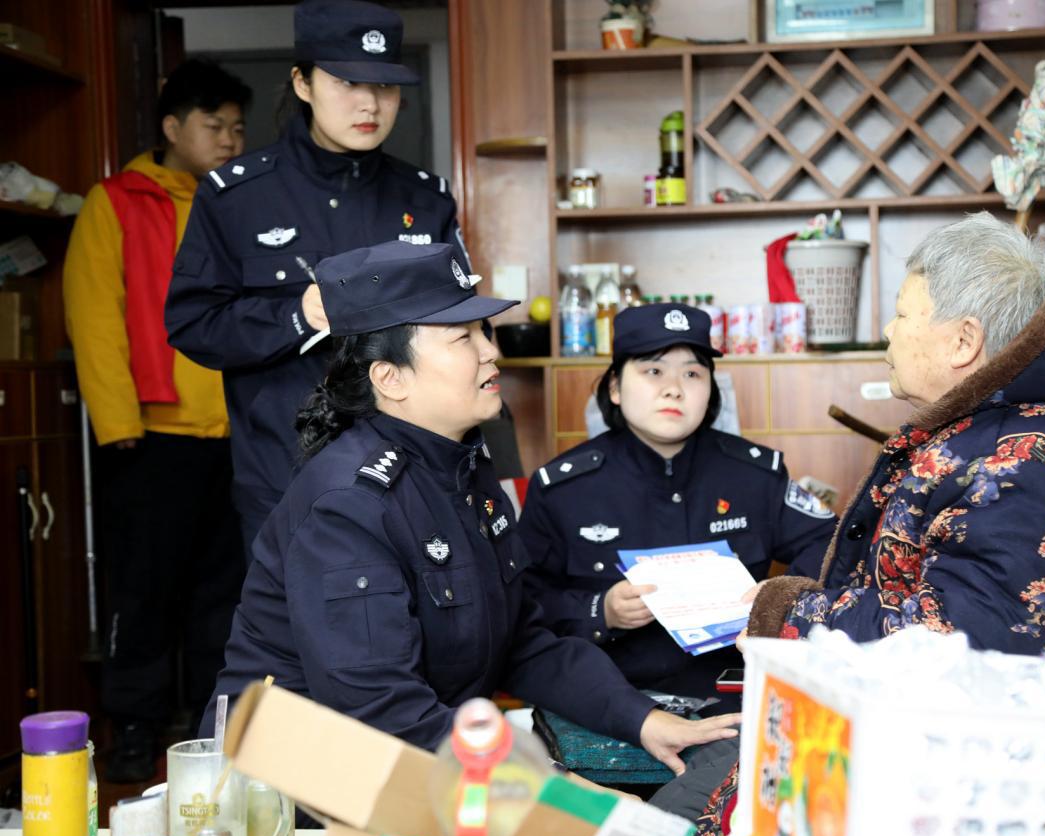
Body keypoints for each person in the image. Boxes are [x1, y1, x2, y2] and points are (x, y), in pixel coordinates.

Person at [669, 212, 1045, 834]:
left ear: (963, 342)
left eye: (902, 314)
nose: (888, 330)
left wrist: (786, 613)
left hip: (1033, 779)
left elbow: (955, 649)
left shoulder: (1025, 461)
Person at [199, 241, 740, 775]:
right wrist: (554, 793)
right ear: (390, 377)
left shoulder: (463, 467)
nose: (490, 352)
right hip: (289, 789)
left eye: (483, 331)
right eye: (462, 337)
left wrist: (641, 719)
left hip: (418, 767)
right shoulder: (348, 504)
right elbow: (383, 713)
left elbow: (523, 643)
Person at [165, 0, 471, 555]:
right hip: (284, 474)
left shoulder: (426, 199)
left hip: (414, 469)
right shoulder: (236, 196)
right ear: (302, 83)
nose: (369, 103)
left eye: (385, 86)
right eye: (347, 82)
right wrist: (297, 315)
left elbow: (465, 328)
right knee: (296, 610)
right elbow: (194, 324)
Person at [63, 58, 252, 782]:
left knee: (223, 597)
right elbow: (94, 315)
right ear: (172, 128)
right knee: (144, 593)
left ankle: (211, 728)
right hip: (150, 436)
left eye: (238, 128)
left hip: (235, 437)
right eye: (214, 125)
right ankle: (135, 727)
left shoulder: (240, 202)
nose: (229, 140)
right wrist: (118, 427)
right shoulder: (116, 201)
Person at [518, 303, 837, 706]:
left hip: (732, 698)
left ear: (711, 390)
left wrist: (781, 596)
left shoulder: (754, 475)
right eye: (653, 371)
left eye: (692, 373)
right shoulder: (564, 487)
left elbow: (833, 542)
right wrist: (601, 611)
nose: (674, 389)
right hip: (610, 701)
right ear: (615, 387)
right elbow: (524, 600)